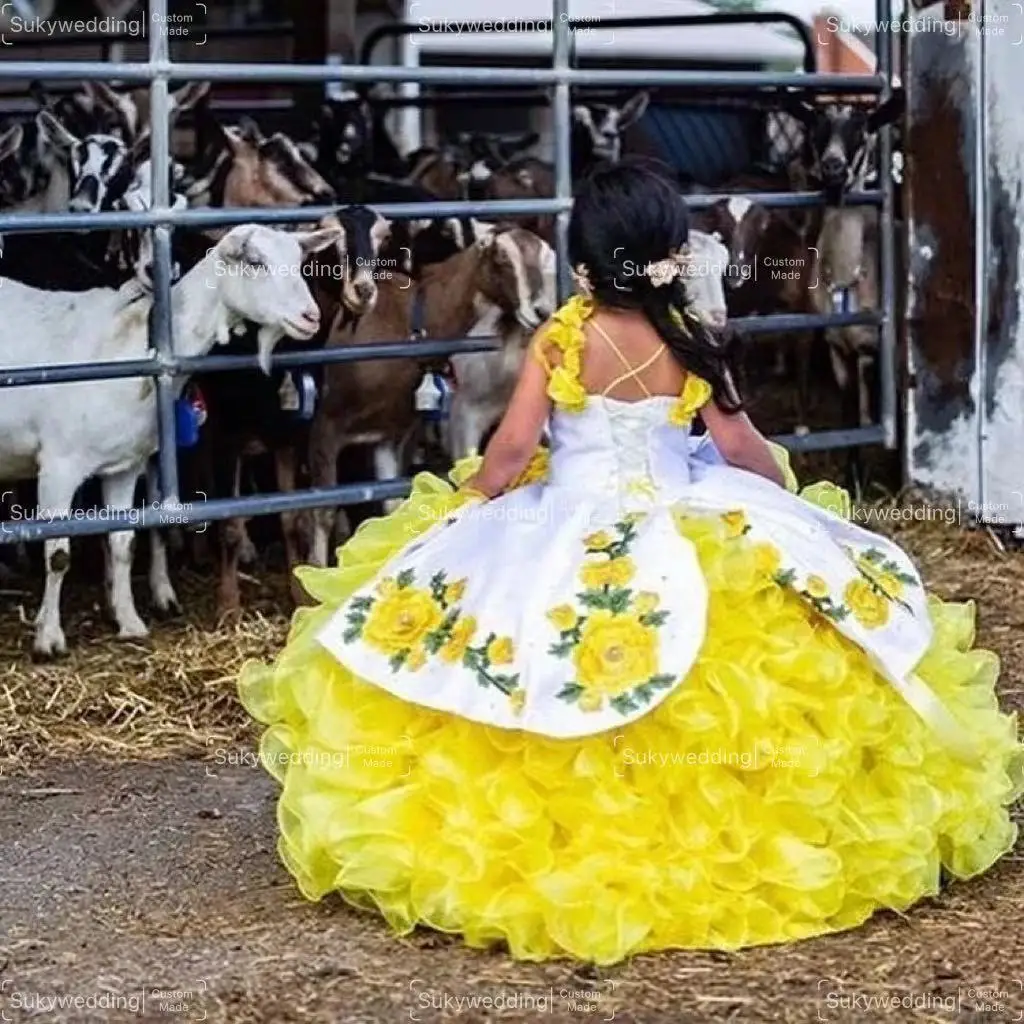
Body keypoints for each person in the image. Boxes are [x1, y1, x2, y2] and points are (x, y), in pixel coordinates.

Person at [239, 160, 1022, 964]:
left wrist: (468, 504)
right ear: (668, 251)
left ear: (586, 258)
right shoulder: (692, 338)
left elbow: (509, 453)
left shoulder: (563, 338)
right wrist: (784, 499)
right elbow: (739, 445)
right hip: (683, 508)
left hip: (568, 516)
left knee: (518, 647)